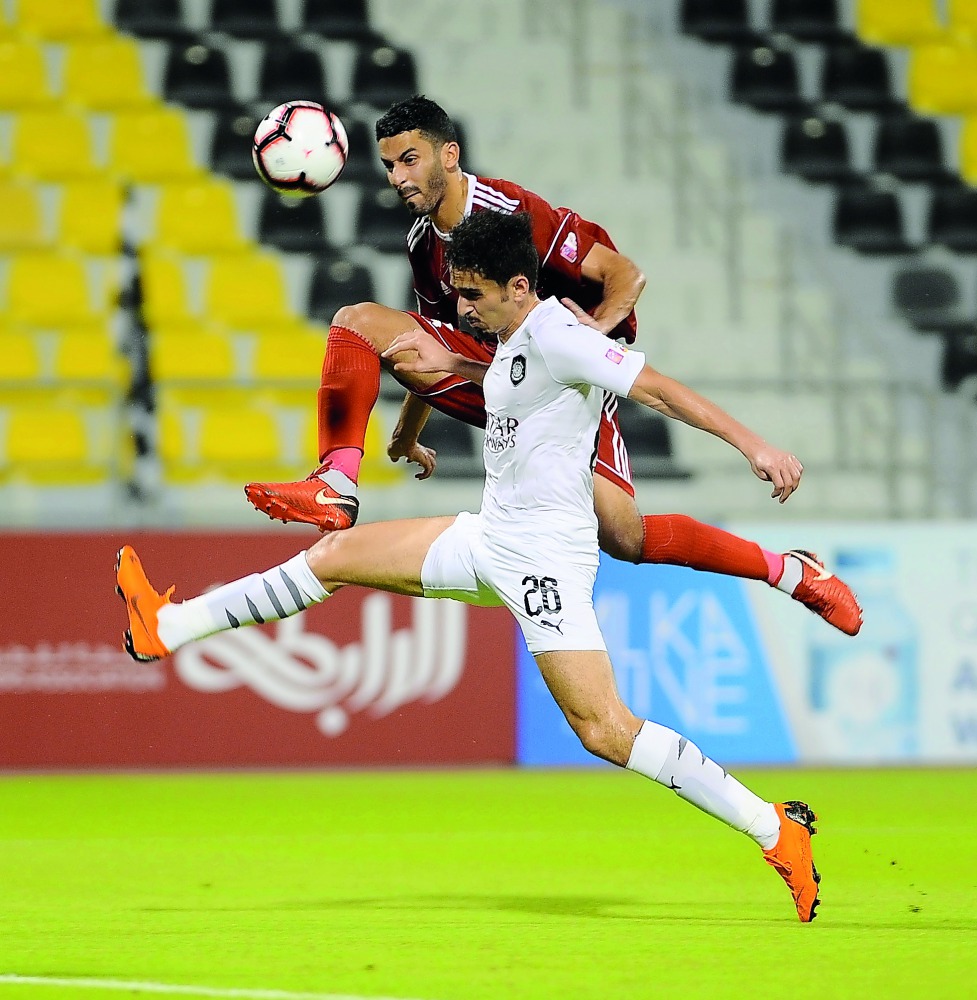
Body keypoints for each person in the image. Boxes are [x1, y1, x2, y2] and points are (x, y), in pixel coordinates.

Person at [119, 211, 821, 922]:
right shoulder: (516, 338)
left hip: (545, 561)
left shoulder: (560, 335)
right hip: (490, 540)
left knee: (605, 730)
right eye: (457, 292)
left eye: (474, 294)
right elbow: (513, 381)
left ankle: (772, 829)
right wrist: (431, 397)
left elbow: (656, 389)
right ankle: (167, 627)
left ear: (519, 286)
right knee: (333, 555)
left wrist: (751, 445)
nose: (460, 307)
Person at [245, 95, 861, 637]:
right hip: (499, 374)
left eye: (409, 159)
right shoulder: (422, 243)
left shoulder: (509, 212)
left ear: (449, 155)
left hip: (569, 385)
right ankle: (337, 484)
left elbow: (626, 275)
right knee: (358, 321)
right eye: (387, 164)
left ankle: (790, 571)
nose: (397, 177)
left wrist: (590, 337)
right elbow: (432, 342)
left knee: (628, 539)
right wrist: (407, 433)